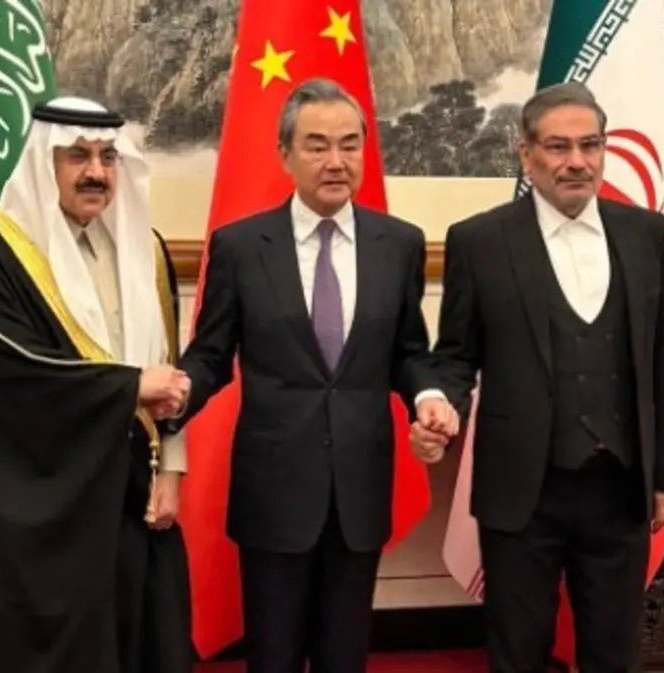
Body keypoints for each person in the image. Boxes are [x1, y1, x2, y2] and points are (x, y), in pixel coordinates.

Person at [168, 78, 458, 673]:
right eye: (317, 145)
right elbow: (211, 356)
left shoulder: (398, 244)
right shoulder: (241, 247)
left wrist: (428, 395)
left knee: (343, 657)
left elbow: (408, 351)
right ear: (285, 154)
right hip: (274, 489)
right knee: (272, 657)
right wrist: (173, 395)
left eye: (349, 145)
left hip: (359, 488)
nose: (336, 161)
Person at [417, 82, 664, 673]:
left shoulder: (646, 235)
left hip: (620, 485)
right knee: (518, 651)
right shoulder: (479, 241)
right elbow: (457, 356)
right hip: (521, 489)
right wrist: (439, 405)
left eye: (590, 145)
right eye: (558, 147)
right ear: (527, 155)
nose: (577, 162)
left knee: (613, 652)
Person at [0, 96, 193, 673]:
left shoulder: (144, 250)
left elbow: (168, 367)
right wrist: (129, 388)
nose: (96, 172)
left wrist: (172, 468)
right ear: (42, 162)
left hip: (131, 497)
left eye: (108, 157)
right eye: (77, 156)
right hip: (36, 505)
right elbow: (12, 371)